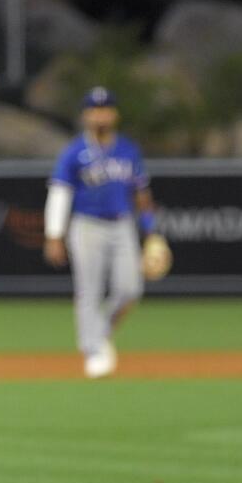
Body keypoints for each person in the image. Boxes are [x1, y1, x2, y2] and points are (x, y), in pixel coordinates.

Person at [42, 87, 159, 378]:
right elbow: (59, 193)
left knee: (130, 288)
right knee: (89, 292)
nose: (100, 115)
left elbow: (141, 194)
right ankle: (93, 350)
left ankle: (102, 333)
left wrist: (151, 232)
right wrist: (54, 234)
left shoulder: (128, 150)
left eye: (105, 109)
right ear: (85, 116)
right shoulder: (74, 153)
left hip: (121, 225)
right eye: (94, 110)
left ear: (115, 114)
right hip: (87, 225)